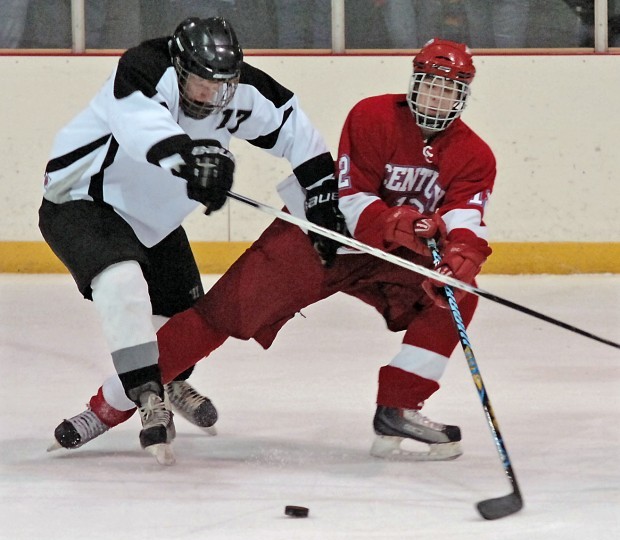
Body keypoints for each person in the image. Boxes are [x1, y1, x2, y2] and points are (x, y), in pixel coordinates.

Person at [50, 37, 495, 462]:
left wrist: (463, 254)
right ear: (415, 81)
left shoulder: (475, 154)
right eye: (430, 84)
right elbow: (353, 199)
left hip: (392, 252)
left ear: (462, 96)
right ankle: (109, 404)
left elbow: (465, 216)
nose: (436, 97)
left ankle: (398, 407)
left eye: (448, 89)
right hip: (322, 238)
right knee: (217, 315)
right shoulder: (373, 116)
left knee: (458, 293)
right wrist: (398, 223)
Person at [41, 17, 344, 465]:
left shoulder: (237, 88)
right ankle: (147, 393)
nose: (209, 95)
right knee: (121, 281)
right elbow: (140, 126)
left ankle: (172, 377)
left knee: (185, 316)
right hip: (81, 200)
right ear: (181, 68)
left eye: (220, 85)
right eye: (200, 83)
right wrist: (190, 160)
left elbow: (294, 128)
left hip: (152, 221)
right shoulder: (142, 67)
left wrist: (322, 201)